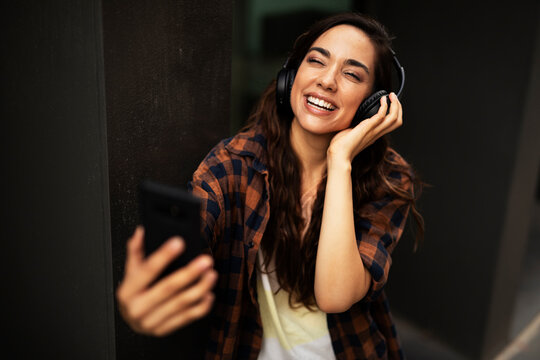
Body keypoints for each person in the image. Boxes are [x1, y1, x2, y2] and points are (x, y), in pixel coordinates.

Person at [116, 12, 423, 359]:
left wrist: (340, 161)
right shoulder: (234, 166)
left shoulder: (389, 178)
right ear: (291, 76)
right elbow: (193, 240)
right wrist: (154, 293)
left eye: (351, 74)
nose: (326, 81)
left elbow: (335, 296)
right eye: (316, 62)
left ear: (374, 104)